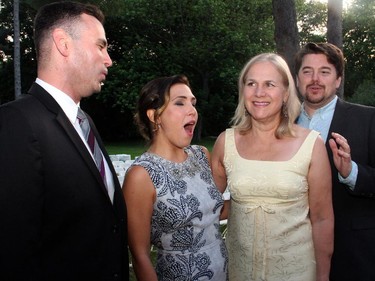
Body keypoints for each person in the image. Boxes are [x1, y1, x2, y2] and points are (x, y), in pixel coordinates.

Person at [0, 2, 129, 280]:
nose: (108, 59)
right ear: (63, 43)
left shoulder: (85, 123)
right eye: (100, 46)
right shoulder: (15, 123)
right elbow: (13, 249)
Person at [211, 53, 334, 281]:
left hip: (296, 272)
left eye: (269, 84)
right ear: (243, 91)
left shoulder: (311, 145)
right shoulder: (225, 142)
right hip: (239, 271)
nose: (259, 93)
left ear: (286, 93)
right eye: (251, 84)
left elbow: (322, 219)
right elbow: (208, 207)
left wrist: (323, 275)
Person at [122, 75, 228, 280]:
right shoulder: (141, 175)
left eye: (193, 103)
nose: (192, 110)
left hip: (223, 272)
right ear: (155, 116)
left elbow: (210, 211)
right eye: (180, 103)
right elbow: (140, 254)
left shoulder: (201, 155)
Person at [295, 42, 375, 281]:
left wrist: (351, 172)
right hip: (292, 250)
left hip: (352, 253)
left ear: (338, 79)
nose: (315, 79)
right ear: (297, 79)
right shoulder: (280, 125)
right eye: (307, 71)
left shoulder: (369, 119)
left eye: (325, 71)